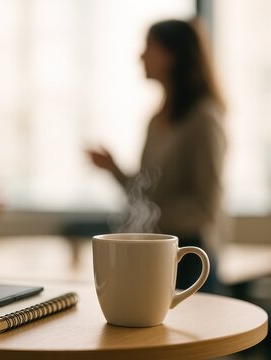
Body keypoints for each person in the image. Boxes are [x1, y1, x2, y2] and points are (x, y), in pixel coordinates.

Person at [87, 19, 226, 291]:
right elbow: (146, 192)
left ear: (172, 56)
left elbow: (204, 208)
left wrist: (147, 220)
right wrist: (114, 169)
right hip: (154, 257)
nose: (141, 56)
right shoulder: (157, 120)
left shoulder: (204, 119)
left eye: (149, 47)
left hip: (188, 260)